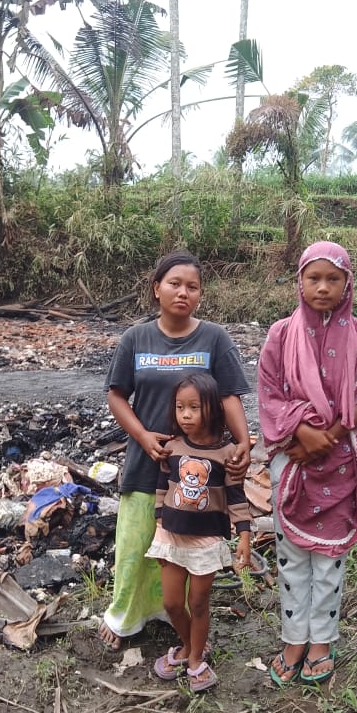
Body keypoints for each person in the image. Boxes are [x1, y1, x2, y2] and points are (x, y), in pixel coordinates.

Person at [98, 251, 251, 650]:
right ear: (156, 289)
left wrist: (243, 442)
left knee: (186, 547)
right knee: (135, 546)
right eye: (174, 284)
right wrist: (144, 436)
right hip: (146, 463)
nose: (183, 292)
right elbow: (116, 396)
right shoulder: (136, 338)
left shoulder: (214, 338)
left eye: (192, 286)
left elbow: (231, 395)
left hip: (198, 470)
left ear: (200, 294)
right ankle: (125, 618)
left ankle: (176, 617)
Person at [258, 241, 357, 686]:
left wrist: (326, 437)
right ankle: (294, 639)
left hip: (341, 458)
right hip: (293, 459)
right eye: (314, 278)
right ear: (300, 282)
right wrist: (301, 434)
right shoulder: (280, 334)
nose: (323, 288)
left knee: (330, 559)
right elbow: (270, 395)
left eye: (333, 279)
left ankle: (322, 641)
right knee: (291, 555)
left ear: (348, 283)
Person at [147, 372, 252, 692]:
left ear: (212, 410)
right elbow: (162, 486)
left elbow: (236, 497)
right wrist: (159, 521)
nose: (186, 415)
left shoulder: (228, 453)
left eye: (194, 407)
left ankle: (193, 659)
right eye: (180, 408)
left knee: (199, 601)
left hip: (206, 540)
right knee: (173, 603)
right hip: (170, 536)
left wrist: (244, 536)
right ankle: (190, 644)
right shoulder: (173, 446)